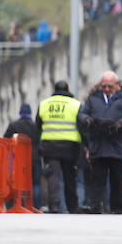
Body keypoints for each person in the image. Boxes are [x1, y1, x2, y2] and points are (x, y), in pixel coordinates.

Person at [79, 71, 122, 214]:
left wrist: (120, 124)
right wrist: (87, 120)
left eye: (110, 86)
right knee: (97, 179)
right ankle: (95, 206)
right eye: (104, 86)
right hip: (99, 144)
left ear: (116, 85)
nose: (106, 89)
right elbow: (83, 114)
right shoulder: (92, 98)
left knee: (117, 180)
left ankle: (117, 208)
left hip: (117, 145)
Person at [36, 82, 82, 213]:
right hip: (70, 146)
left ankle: (54, 205)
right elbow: (82, 127)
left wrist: (40, 143)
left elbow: (38, 126)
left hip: (49, 146)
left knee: (53, 176)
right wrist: (86, 145)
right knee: (70, 177)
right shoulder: (75, 104)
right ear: (68, 90)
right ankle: (72, 206)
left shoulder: (44, 104)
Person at [4, 103, 41, 207]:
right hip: (34, 158)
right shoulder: (36, 126)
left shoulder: (13, 125)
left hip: (17, 160)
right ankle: (35, 206)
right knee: (36, 184)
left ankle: (19, 204)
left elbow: (6, 140)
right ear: (30, 113)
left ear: (20, 112)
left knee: (17, 183)